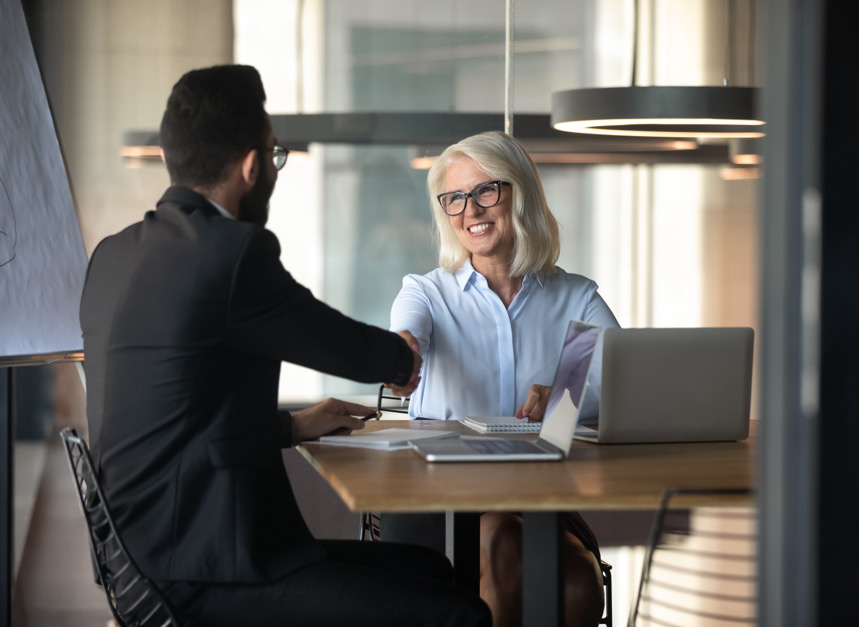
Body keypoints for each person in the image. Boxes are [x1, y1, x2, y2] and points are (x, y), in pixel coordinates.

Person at [79, 64, 490, 627]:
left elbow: (162, 419)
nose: (273, 170)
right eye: (275, 158)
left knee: (432, 570)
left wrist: (291, 427)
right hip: (207, 570)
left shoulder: (112, 256)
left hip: (139, 562)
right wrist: (402, 359)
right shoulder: (229, 252)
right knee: (460, 613)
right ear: (251, 166)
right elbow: (345, 346)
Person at [386, 131, 621, 627]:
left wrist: (563, 398)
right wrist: (402, 359)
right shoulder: (428, 294)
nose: (471, 209)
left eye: (486, 190)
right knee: (503, 540)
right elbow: (407, 337)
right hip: (437, 498)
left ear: (521, 193)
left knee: (580, 587)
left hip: (539, 498)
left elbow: (621, 382)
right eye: (454, 198)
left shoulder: (574, 298)